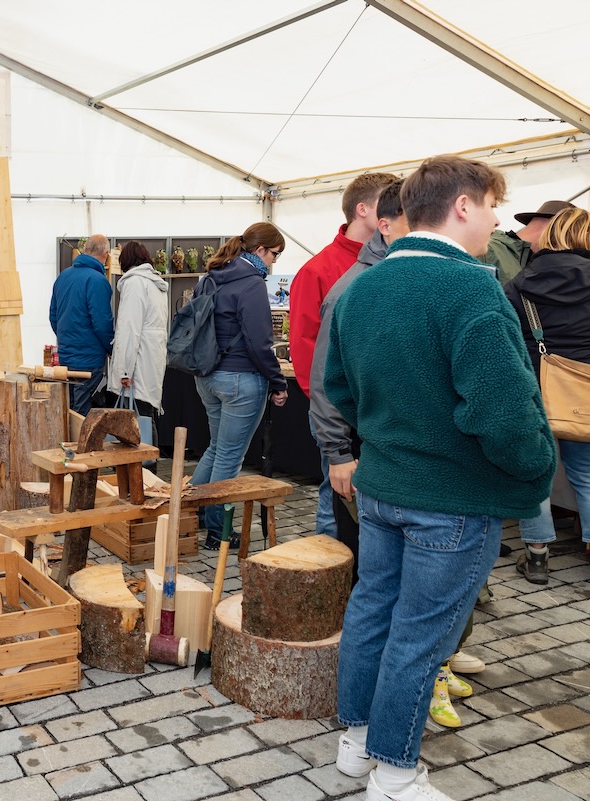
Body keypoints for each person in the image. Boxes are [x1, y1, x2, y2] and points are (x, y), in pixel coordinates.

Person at [325, 155, 555, 801]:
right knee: (420, 635)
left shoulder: (361, 286)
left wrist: (392, 431)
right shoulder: (470, 289)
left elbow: (340, 387)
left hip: (383, 486)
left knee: (373, 610)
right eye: (491, 207)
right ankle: (395, 775)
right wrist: (537, 465)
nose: (495, 221)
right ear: (462, 205)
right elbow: (502, 411)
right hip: (449, 498)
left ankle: (357, 744)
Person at [290, 172, 398, 538]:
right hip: (338, 413)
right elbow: (304, 344)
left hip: (376, 415)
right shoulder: (317, 270)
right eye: (387, 201)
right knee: (336, 497)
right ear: (363, 209)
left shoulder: (393, 262)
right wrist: (328, 408)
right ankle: (333, 560)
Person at [504, 205, 590, 584]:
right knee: (586, 473)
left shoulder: (519, 283)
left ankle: (537, 557)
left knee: (535, 473)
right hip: (584, 392)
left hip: (532, 389)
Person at [189, 222, 288, 549]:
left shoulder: (212, 276)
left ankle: (194, 512)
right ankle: (217, 530)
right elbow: (260, 343)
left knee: (217, 448)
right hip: (240, 379)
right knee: (229, 456)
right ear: (260, 250)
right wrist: (278, 382)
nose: (274, 262)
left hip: (207, 375)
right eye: (274, 254)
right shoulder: (251, 284)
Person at [106, 241, 169, 429]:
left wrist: (124, 372)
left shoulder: (135, 283)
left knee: (134, 427)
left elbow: (129, 330)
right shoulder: (155, 284)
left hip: (137, 368)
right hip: (151, 364)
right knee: (146, 421)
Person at [50, 234, 114, 415]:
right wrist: (111, 348)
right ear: (106, 254)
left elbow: (53, 316)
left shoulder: (63, 276)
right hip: (89, 358)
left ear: (85, 250)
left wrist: (66, 339)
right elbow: (102, 322)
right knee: (83, 412)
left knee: (69, 409)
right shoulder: (98, 280)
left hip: (66, 356)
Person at [483, 199, 574, 284]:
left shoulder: (532, 265)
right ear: (552, 225)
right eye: (570, 234)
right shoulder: (489, 250)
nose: (569, 245)